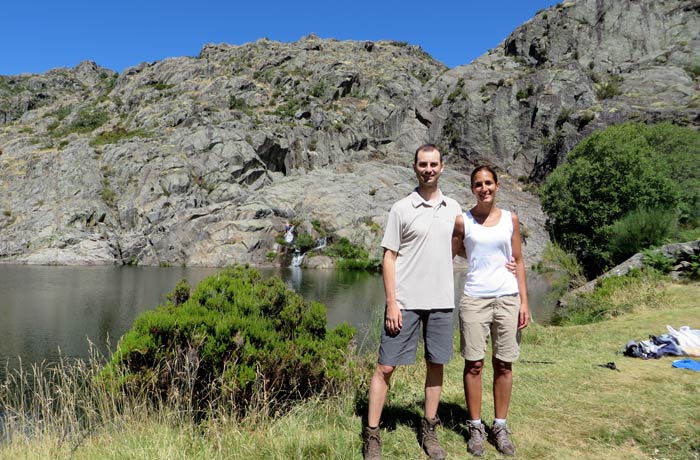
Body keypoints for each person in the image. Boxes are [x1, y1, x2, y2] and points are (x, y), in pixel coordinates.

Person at [362, 144, 462, 460]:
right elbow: (388, 257)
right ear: (415, 167)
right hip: (405, 302)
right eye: (423, 164)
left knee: (436, 365)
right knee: (385, 366)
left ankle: (428, 430)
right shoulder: (401, 209)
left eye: (434, 164)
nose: (428, 169)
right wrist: (392, 302)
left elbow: (460, 246)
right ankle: (372, 435)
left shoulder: (454, 207)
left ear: (442, 167)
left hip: (442, 301)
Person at [452, 165, 530, 457]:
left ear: (497, 186)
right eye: (478, 184)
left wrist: (524, 302)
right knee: (474, 364)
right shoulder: (464, 221)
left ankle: (499, 425)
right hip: (475, 299)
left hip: (508, 298)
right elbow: (456, 250)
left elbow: (518, 260)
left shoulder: (511, 219)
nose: (484, 188)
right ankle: (475, 427)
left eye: (488, 183)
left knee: (504, 364)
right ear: (472, 189)